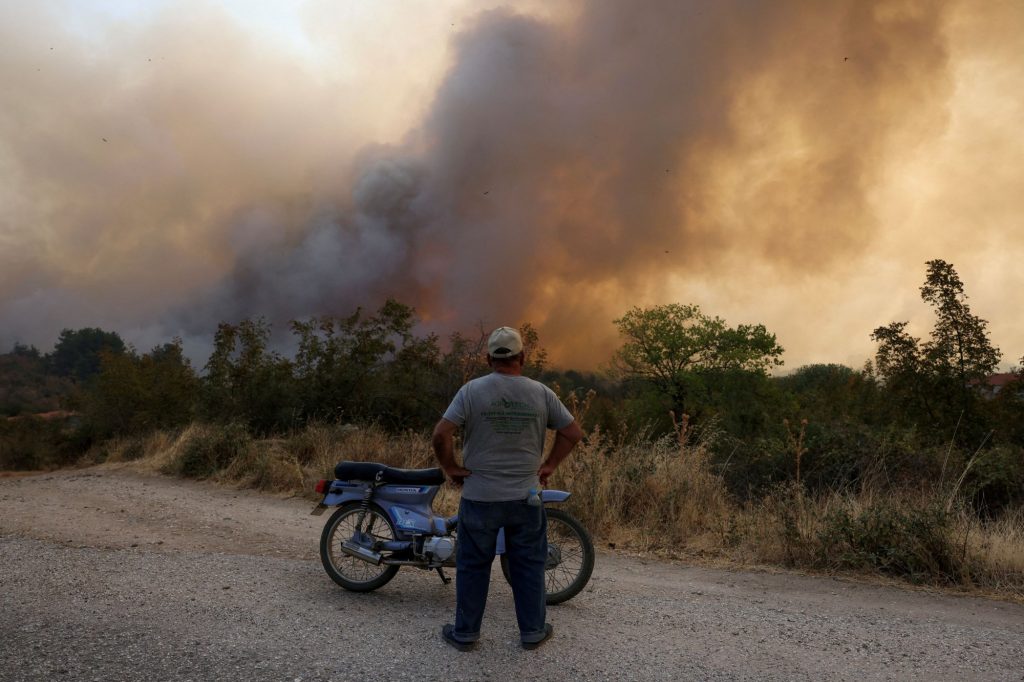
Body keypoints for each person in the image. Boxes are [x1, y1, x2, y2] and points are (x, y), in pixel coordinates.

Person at [432, 326, 583, 651]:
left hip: (480, 497)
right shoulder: (541, 393)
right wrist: (550, 465)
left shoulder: (471, 391)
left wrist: (452, 468)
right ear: (523, 358)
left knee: (473, 566)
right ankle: (532, 632)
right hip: (526, 498)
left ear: (488, 359)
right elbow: (572, 432)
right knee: (528, 565)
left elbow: (440, 434)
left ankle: (466, 634)